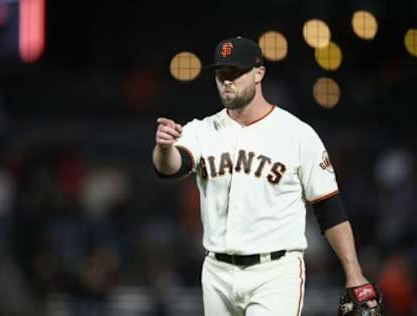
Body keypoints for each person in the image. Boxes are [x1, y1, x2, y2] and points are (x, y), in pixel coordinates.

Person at [153, 36, 380, 316]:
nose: (227, 80)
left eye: (236, 73)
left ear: (259, 73)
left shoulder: (297, 135)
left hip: (275, 272)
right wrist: (163, 147)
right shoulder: (201, 130)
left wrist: (354, 273)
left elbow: (329, 208)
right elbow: (171, 166)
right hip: (217, 272)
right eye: (221, 73)